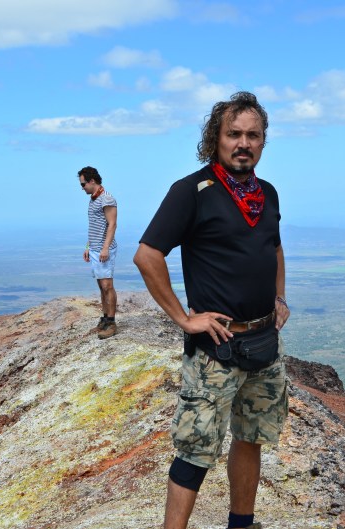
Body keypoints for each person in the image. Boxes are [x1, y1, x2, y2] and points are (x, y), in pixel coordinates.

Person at [133, 91, 290, 529]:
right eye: (234, 134)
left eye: (253, 135)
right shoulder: (192, 192)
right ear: (215, 139)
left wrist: (279, 298)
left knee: (251, 437)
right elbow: (147, 255)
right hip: (216, 348)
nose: (243, 143)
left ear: (263, 141)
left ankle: (241, 524)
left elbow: (274, 248)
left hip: (263, 343)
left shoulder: (267, 194)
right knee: (196, 449)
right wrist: (184, 319)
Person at [79, 166, 118, 339]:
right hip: (95, 248)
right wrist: (88, 247)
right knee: (101, 286)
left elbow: (112, 224)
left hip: (104, 249)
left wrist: (105, 248)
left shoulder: (106, 199)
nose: (82, 188)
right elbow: (94, 225)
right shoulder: (93, 199)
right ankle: (105, 318)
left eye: (83, 184)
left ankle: (111, 322)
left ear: (92, 181)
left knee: (107, 286)